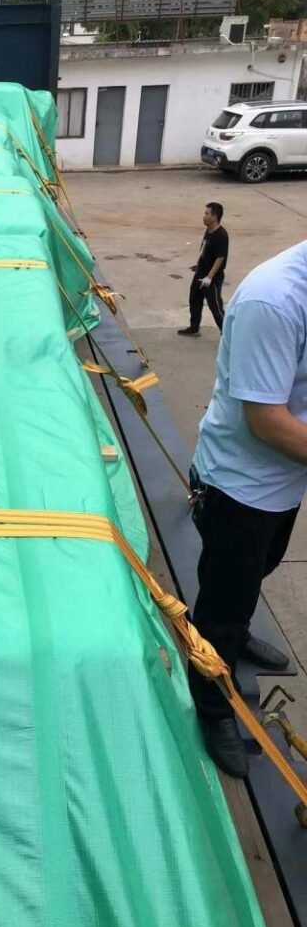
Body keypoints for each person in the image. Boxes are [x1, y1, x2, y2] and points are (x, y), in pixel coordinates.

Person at [188, 240, 307, 778]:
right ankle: (213, 710)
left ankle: (236, 631)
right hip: (241, 488)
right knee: (219, 605)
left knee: (260, 569)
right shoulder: (274, 300)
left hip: (284, 482)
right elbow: (267, 422)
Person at [178, 202, 228, 336]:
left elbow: (220, 258)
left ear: (215, 217)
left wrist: (210, 277)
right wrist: (198, 265)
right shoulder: (209, 230)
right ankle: (194, 327)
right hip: (200, 272)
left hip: (211, 278)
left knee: (215, 307)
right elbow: (204, 250)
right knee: (194, 299)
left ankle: (228, 333)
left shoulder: (221, 235)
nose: (203, 216)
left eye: (207, 214)